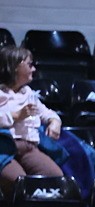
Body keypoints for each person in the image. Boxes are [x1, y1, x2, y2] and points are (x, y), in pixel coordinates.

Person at [0, 46, 64, 197]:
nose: (34, 69)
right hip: (4, 148)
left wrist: (55, 121)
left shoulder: (28, 93)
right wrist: (15, 116)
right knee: (20, 184)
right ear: (15, 67)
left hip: (29, 148)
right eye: (29, 65)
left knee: (54, 179)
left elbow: (46, 113)